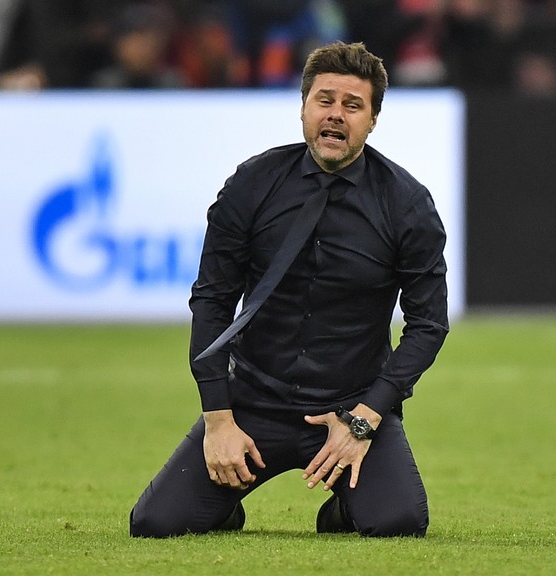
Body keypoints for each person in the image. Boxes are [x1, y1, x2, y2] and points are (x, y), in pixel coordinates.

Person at [129, 41, 449, 538]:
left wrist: (366, 418)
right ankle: (221, 508)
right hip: (253, 403)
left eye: (352, 105)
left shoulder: (406, 204)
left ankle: (343, 511)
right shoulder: (251, 185)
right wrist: (218, 418)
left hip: (351, 408)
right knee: (155, 524)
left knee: (399, 523)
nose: (336, 115)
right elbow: (212, 299)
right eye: (324, 100)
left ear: (373, 119)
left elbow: (429, 325)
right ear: (303, 107)